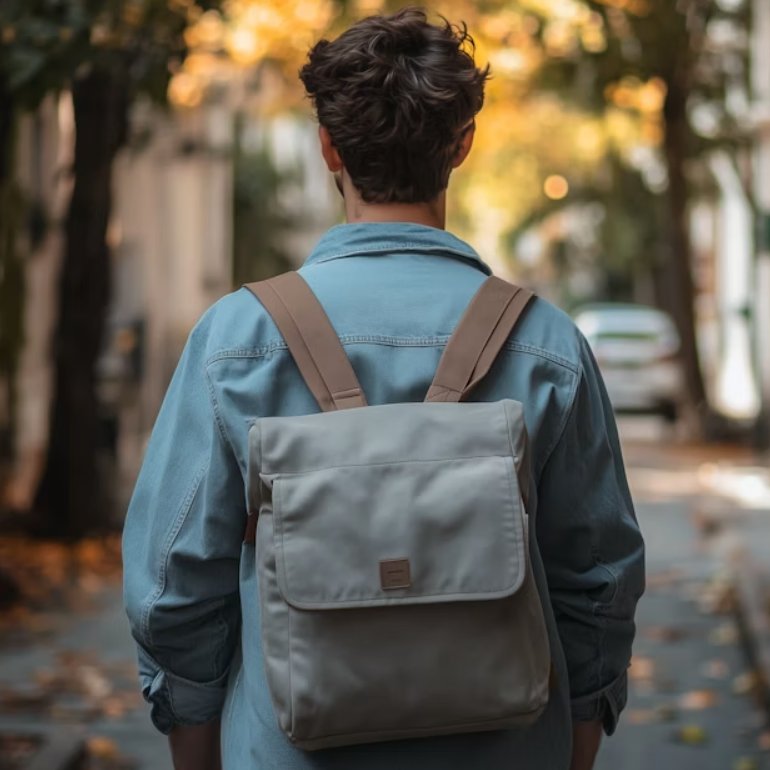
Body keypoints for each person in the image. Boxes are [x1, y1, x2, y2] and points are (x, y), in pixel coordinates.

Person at [122, 7, 645, 770]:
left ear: (327, 146)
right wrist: (575, 741)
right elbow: (599, 577)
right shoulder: (548, 346)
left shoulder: (234, 340)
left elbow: (174, 584)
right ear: (463, 145)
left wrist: (198, 743)